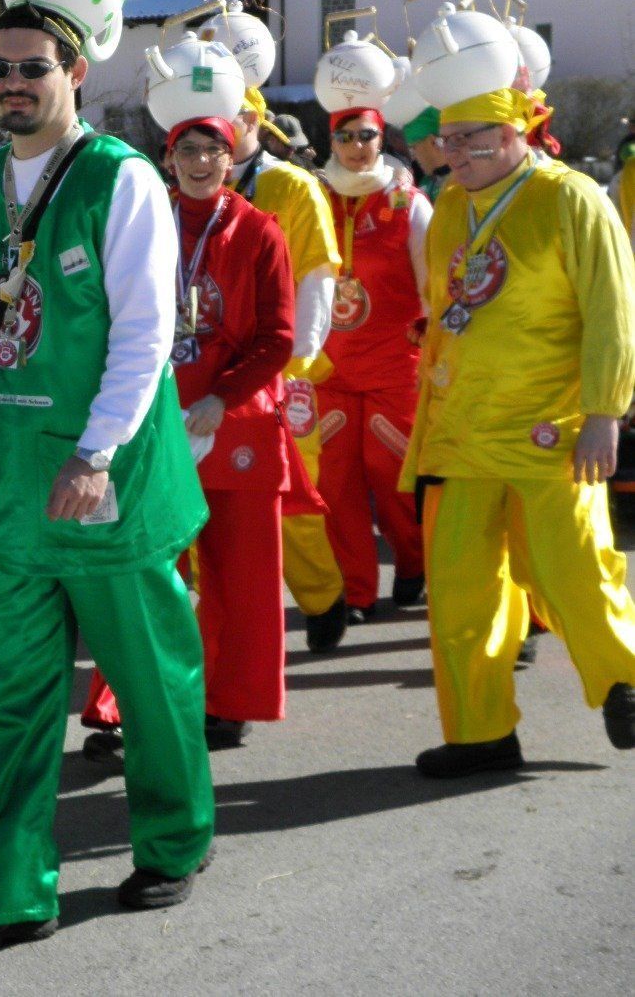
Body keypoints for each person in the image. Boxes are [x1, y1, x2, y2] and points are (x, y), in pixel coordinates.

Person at [0, 0, 212, 960]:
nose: (12, 83)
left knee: (150, 681)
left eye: (32, 67)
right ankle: (7, 893)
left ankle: (174, 840)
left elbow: (145, 332)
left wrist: (96, 451)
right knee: (4, 700)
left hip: (104, 488)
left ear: (74, 72)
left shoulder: (120, 180)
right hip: (6, 489)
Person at [400, 85, 635, 777]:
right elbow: (451, 305)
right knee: (460, 593)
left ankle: (625, 679)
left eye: (469, 138)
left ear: (513, 133)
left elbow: (611, 309)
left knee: (573, 570)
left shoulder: (572, 198)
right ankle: (479, 733)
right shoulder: (449, 204)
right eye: (445, 140)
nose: (453, 154)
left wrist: (604, 412)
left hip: (550, 431)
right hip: (460, 432)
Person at [105, 113, 296, 749]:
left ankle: (230, 701)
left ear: (232, 158)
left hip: (234, 422)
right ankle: (124, 704)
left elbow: (278, 338)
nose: (201, 161)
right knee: (141, 570)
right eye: (187, 149)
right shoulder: (140, 224)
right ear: (168, 158)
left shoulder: (260, 231)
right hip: (152, 421)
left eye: (213, 149)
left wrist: (225, 396)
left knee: (240, 578)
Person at [231, 86, 347, 651]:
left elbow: (318, 276)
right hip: (212, 372)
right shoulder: (185, 183)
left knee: (291, 493)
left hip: (280, 370)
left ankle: (322, 596)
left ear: (250, 117)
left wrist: (296, 361)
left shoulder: (292, 186)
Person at [315, 106, 431, 622]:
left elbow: (433, 287)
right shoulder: (314, 197)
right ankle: (355, 590)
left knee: (394, 478)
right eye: (345, 137)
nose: (357, 147)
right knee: (335, 485)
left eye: (367, 135)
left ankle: (414, 561)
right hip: (329, 371)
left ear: (382, 139)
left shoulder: (409, 203)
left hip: (394, 369)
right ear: (331, 141)